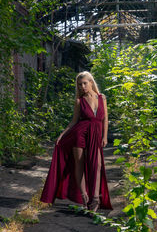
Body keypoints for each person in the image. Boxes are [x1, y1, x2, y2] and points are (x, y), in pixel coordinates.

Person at [40, 71, 112, 212]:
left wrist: (105, 136)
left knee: (96, 165)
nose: (82, 86)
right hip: (79, 134)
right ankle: (84, 196)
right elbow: (73, 122)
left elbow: (105, 120)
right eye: (79, 84)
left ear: (91, 82)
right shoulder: (79, 101)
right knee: (79, 165)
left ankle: (96, 199)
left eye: (85, 83)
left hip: (95, 135)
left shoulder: (102, 98)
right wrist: (62, 135)